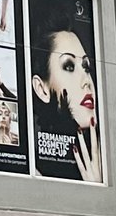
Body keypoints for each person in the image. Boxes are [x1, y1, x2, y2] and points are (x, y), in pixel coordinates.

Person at [29, 28, 102, 182]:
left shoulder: (107, 159)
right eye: (69, 66)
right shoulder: (33, 170)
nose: (86, 81)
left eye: (86, 67)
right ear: (41, 89)